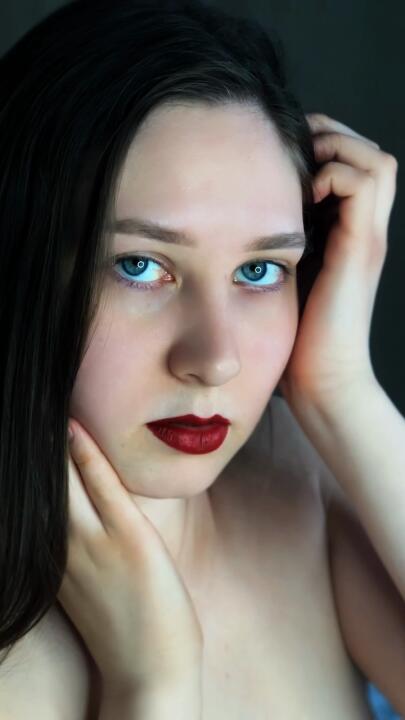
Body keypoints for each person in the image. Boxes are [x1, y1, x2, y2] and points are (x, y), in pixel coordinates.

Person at [0, 0, 403, 718]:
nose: (215, 361)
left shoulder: (290, 477)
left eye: (259, 271)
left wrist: (341, 387)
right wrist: (152, 680)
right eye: (140, 266)